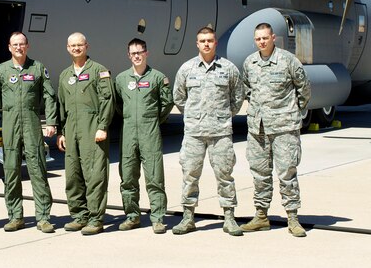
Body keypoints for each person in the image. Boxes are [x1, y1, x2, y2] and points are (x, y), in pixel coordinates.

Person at [171, 26, 245, 236]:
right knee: (190, 175)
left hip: (220, 133)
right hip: (194, 132)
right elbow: (179, 97)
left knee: (225, 175)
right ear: (197, 43)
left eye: (210, 40)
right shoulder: (187, 69)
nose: (206, 44)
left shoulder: (228, 68)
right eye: (202, 40)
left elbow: (238, 97)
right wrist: (194, 115)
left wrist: (222, 116)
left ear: (215, 43)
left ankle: (229, 218)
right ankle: (188, 217)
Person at [240, 22, 311, 237]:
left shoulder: (288, 61)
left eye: (265, 37)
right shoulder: (250, 62)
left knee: (287, 173)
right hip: (258, 128)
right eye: (258, 38)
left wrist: (291, 112)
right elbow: (246, 89)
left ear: (273, 38)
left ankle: (292, 218)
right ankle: (261, 216)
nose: (262, 41)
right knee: (260, 174)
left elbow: (304, 88)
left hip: (284, 128)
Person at [0, 32, 58, 233]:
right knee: (11, 171)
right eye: (15, 44)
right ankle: (15, 216)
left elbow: (49, 95)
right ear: (9, 47)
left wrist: (51, 121)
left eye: (22, 44)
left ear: (28, 46)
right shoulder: (1, 70)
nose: (19, 47)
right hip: (9, 125)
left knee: (38, 170)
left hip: (32, 123)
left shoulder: (38, 68)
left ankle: (43, 217)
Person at [56, 32, 115, 236]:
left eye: (79, 45)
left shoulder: (99, 71)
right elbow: (61, 105)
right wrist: (62, 132)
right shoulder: (65, 75)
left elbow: (108, 100)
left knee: (95, 174)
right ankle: (79, 215)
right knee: (73, 174)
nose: (76, 48)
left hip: (92, 128)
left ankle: (95, 218)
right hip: (71, 129)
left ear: (86, 46)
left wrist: (103, 126)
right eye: (72, 46)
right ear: (67, 48)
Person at [114, 38, 173, 234]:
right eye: (133, 53)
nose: (137, 56)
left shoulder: (158, 77)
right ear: (128, 55)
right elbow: (117, 105)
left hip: (150, 133)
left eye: (140, 52)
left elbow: (166, 103)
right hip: (128, 133)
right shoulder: (121, 79)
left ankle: (157, 218)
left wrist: (152, 120)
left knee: (154, 177)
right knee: (128, 177)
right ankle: (132, 216)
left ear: (146, 53)